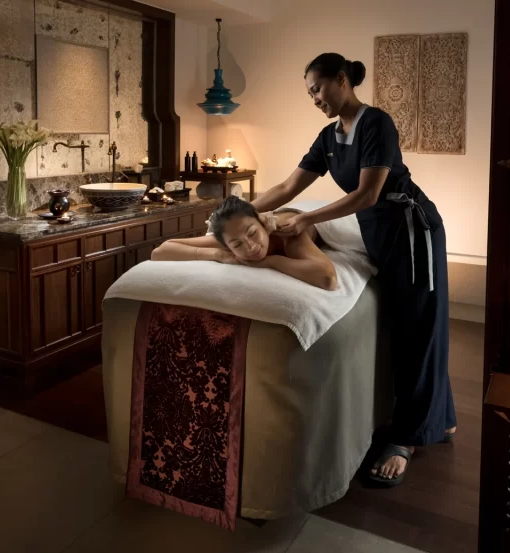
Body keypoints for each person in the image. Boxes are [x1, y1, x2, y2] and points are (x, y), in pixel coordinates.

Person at [250, 52, 456, 487]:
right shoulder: (328, 136)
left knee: (417, 328)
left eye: (318, 88)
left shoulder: (375, 123)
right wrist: (238, 209)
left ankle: (405, 439)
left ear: (341, 80)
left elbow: (367, 194)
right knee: (409, 325)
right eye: (309, 94)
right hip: (381, 234)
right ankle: (441, 417)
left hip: (412, 231)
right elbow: (288, 186)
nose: (314, 99)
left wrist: (307, 219)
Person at [151, 195, 339, 291]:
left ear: (260, 221)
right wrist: (219, 255)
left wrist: (270, 262)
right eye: (237, 245)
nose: (251, 247)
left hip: (310, 217)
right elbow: (160, 252)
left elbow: (327, 279)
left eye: (253, 233)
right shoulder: (231, 235)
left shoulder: (286, 232)